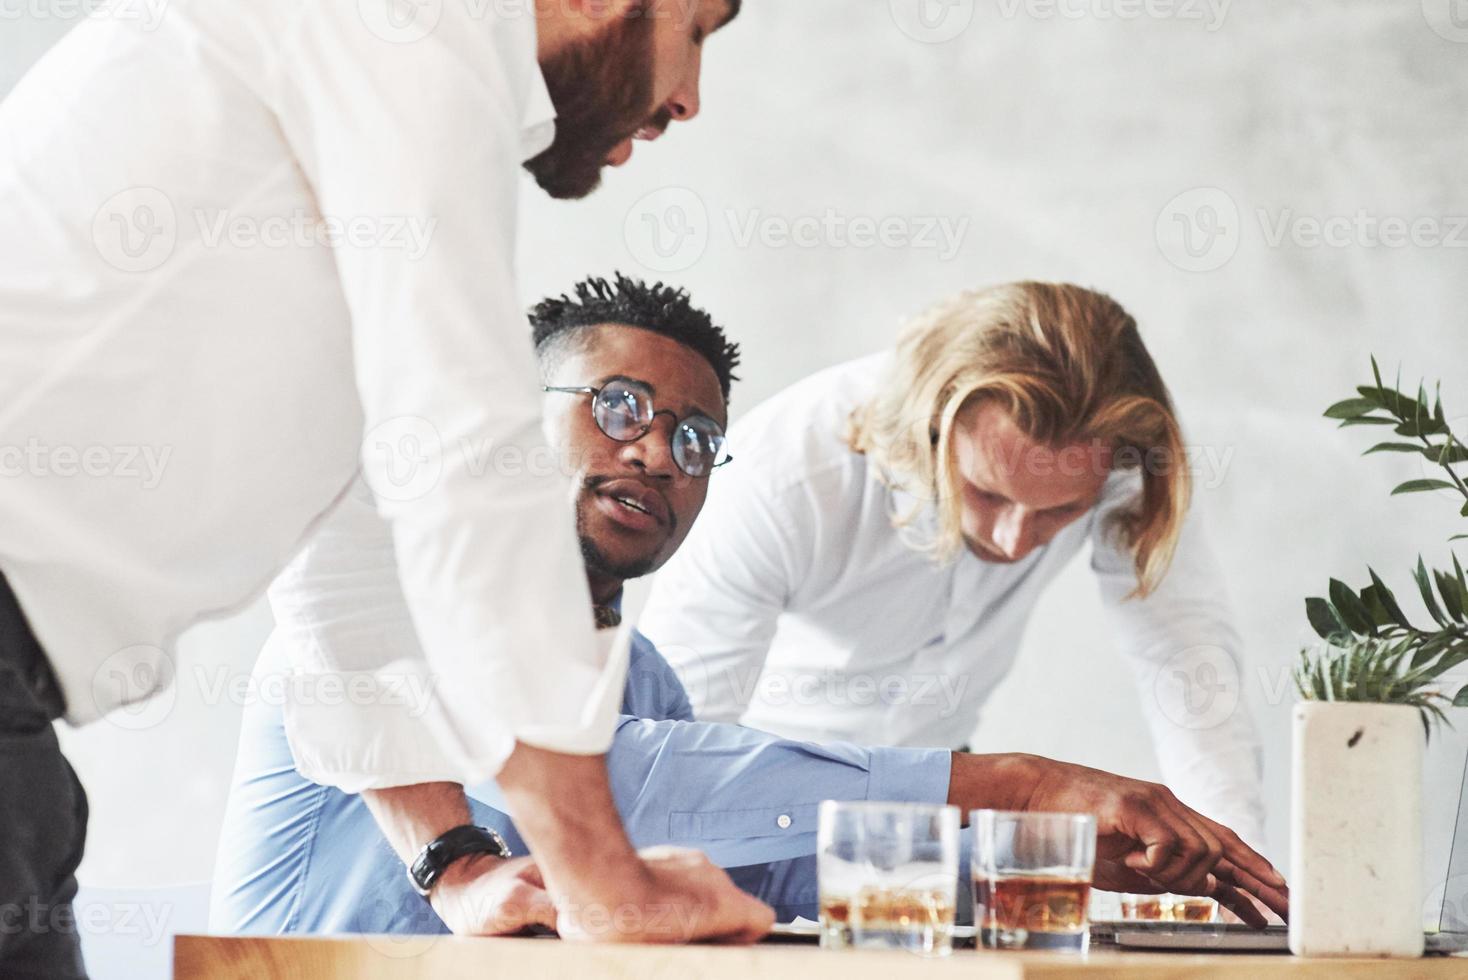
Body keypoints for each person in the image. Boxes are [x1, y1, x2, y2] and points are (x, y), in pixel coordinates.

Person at [0, 1, 764, 974]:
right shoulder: (406, 32)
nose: (690, 97)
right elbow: (464, 464)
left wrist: (455, 862)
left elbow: (358, 555)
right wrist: (605, 882)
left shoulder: (386, 86)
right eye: (697, 27)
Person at [208, 274, 1288, 938]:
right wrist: (1021, 782)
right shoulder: (401, 600)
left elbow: (758, 857)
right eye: (616, 406)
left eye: (690, 439)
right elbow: (640, 794)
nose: (652, 451)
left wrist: (1021, 851)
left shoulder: (639, 680)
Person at [638, 281, 1270, 851]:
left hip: (948, 807)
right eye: (988, 493)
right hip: (766, 798)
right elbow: (679, 744)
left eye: (1059, 512)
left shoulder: (1124, 459)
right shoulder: (782, 471)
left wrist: (1230, 870)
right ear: (928, 431)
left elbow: (1185, 657)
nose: (1015, 540)